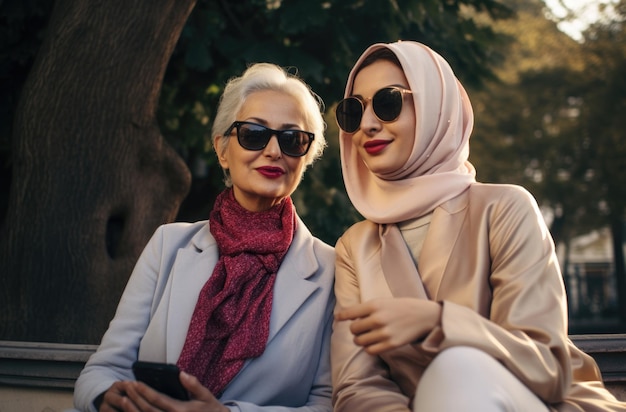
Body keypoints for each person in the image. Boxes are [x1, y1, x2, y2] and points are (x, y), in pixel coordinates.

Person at [330, 40, 626, 411]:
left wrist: (439, 322)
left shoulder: (504, 208)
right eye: (353, 111)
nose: (368, 125)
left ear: (436, 108)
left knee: (458, 367)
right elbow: (357, 388)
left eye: (388, 103)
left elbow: (546, 366)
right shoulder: (353, 248)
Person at [71, 63, 335, 412]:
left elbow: (329, 403)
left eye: (292, 139)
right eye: (254, 133)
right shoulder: (167, 245)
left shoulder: (333, 269)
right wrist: (108, 398)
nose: (274, 151)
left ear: (306, 158)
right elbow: (104, 369)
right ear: (222, 149)